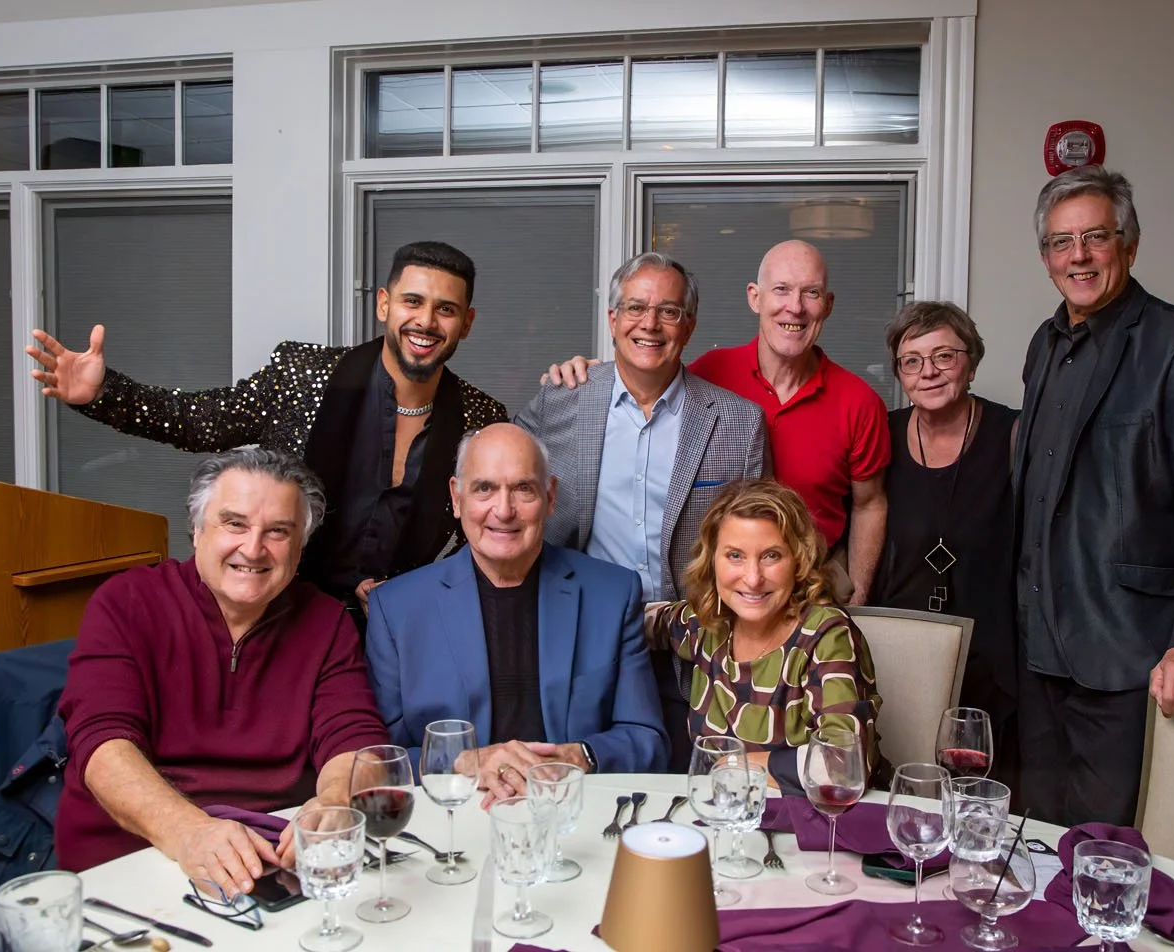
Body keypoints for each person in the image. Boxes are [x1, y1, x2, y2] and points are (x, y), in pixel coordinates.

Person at [25, 241, 508, 621]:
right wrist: (103, 392)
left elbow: (483, 535)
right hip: (281, 615)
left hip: (405, 631)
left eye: (445, 309)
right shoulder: (302, 374)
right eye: (412, 301)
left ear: (466, 323)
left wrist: (411, 594)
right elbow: (202, 420)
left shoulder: (483, 419)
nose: (425, 321)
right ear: (384, 304)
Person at [1015, 166, 1174, 827]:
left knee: (1109, 855)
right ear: (1046, 256)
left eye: (1095, 237)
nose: (1079, 256)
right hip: (1038, 656)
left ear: (1129, 242)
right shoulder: (1044, 346)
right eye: (1061, 242)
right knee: (1035, 843)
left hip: (1130, 657)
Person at [55, 449, 390, 889]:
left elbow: (358, 742)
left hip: (270, 863)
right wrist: (187, 832)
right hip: (133, 857)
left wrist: (332, 800)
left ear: (300, 547)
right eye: (234, 523)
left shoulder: (326, 621)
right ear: (196, 531)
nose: (253, 548)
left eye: (277, 532)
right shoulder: (126, 601)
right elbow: (102, 749)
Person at [542, 240, 889, 603]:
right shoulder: (710, 373)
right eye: (782, 290)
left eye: (811, 293)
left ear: (828, 304)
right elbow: (649, 366)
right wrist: (592, 376)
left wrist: (859, 595)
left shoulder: (859, 401)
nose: (795, 307)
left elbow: (870, 504)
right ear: (755, 298)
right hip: (716, 596)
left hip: (813, 584)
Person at [365, 423, 668, 802]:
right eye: (484, 488)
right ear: (457, 499)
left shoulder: (612, 594)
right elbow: (377, 760)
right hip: (454, 814)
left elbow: (646, 738)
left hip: (571, 808)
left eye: (523, 488)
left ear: (550, 496)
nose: (504, 510)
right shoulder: (396, 608)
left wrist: (581, 755)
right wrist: (465, 763)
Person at [515, 251, 768, 603]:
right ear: (613, 320)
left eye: (668, 311)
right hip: (584, 620)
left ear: (689, 326)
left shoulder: (740, 423)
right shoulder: (561, 399)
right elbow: (491, 467)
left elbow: (758, 539)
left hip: (694, 630)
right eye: (635, 308)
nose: (650, 324)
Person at [643, 479, 886, 792]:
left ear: (799, 560)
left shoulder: (826, 635)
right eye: (735, 556)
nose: (753, 578)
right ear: (712, 559)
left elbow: (842, 764)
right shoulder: (706, 622)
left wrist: (739, 765)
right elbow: (625, 621)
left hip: (822, 824)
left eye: (771, 556)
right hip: (727, 816)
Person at [870, 301, 1018, 790]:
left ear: (971, 364)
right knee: (905, 783)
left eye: (944, 357)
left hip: (996, 651)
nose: (927, 372)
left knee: (982, 789)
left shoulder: (1014, 434)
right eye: (911, 360)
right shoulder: (882, 435)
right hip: (902, 647)